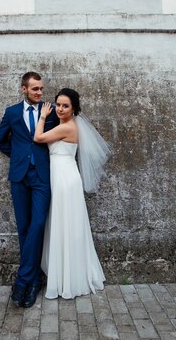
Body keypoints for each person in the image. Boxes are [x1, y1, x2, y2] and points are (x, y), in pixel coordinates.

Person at [33, 88, 109, 299]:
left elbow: (38, 137)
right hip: (62, 178)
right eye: (58, 104)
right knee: (66, 226)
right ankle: (66, 274)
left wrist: (42, 116)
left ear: (73, 108)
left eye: (65, 105)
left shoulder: (67, 127)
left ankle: (68, 279)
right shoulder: (64, 125)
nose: (59, 108)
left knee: (67, 226)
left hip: (65, 181)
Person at [0, 72, 59, 308]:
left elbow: (64, 130)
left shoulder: (50, 111)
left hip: (42, 176)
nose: (40, 93)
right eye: (35, 89)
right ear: (24, 89)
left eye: (41, 89)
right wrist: (21, 157)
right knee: (24, 228)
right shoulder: (11, 112)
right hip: (19, 177)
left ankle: (22, 281)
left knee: (38, 223)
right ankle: (33, 282)